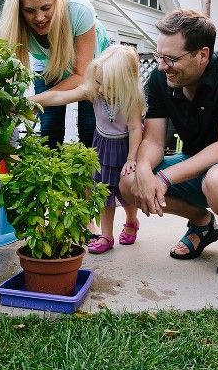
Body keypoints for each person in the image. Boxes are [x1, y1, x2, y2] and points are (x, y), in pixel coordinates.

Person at [119, 9, 218, 277]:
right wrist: (144, 169)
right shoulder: (161, 78)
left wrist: (165, 179)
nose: (161, 66)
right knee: (129, 181)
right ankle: (203, 223)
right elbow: (154, 140)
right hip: (197, 165)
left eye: (170, 58)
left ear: (203, 55)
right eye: (159, 56)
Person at [29, 45, 145, 254]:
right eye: (97, 81)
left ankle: (131, 220)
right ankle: (107, 235)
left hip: (124, 149)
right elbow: (59, 97)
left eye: (105, 84)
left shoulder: (131, 100)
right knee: (103, 194)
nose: (99, 88)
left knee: (126, 193)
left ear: (124, 83)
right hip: (102, 148)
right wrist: (28, 102)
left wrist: (132, 158)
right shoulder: (95, 92)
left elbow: (136, 128)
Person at [0, 0, 109, 148]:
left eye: (46, 8)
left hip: (92, 66)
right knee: (50, 127)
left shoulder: (78, 10)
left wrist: (35, 101)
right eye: (30, 10)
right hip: (49, 64)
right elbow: (8, 77)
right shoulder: (16, 25)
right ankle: (49, 173)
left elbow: (81, 75)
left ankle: (93, 176)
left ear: (57, 1)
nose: (39, 17)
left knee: (89, 127)